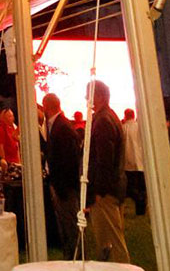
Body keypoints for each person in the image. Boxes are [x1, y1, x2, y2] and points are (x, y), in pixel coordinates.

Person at [84, 81, 128, 263]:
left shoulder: (103, 121)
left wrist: (99, 192)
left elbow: (104, 161)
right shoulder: (108, 117)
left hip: (105, 193)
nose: (87, 99)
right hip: (109, 189)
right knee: (106, 240)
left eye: (89, 95)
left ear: (99, 97)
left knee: (112, 240)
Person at [43, 93, 81, 254]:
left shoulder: (62, 127)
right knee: (64, 223)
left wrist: (62, 187)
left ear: (47, 107)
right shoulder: (57, 125)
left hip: (64, 186)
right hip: (59, 183)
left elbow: (68, 160)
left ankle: (75, 254)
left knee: (69, 222)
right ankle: (70, 252)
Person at [120, 108, 145, 216]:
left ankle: (138, 200)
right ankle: (141, 208)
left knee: (131, 187)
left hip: (128, 162)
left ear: (125, 116)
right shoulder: (140, 127)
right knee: (141, 186)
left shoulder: (123, 128)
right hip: (141, 162)